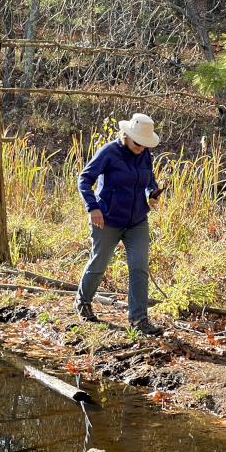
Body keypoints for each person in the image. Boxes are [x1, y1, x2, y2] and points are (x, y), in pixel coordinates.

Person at [75, 112, 162, 334]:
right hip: (107, 219)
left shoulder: (144, 154)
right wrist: (93, 207)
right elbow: (84, 179)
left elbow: (148, 179)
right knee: (99, 263)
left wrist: (151, 191)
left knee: (139, 267)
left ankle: (139, 320)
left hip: (137, 221)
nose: (142, 148)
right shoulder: (109, 152)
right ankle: (83, 301)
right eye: (138, 143)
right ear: (126, 135)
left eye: (145, 144)